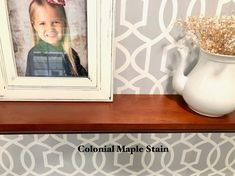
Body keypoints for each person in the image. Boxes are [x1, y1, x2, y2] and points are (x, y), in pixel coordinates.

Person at [26, 0, 88, 77]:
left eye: (56, 22)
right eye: (42, 23)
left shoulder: (71, 54)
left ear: (64, 22)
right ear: (34, 26)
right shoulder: (35, 55)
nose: (50, 28)